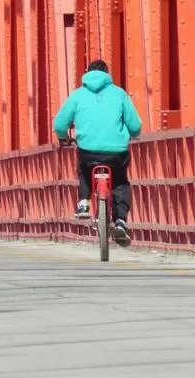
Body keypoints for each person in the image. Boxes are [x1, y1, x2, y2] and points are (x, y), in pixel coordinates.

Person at [53, 59, 142, 246]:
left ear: (87, 73)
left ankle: (83, 202)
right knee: (120, 182)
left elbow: (60, 124)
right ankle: (121, 222)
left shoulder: (77, 96)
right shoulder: (119, 94)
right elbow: (135, 125)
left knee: (84, 169)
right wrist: (134, 134)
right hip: (116, 152)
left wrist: (63, 138)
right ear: (107, 74)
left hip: (89, 151)